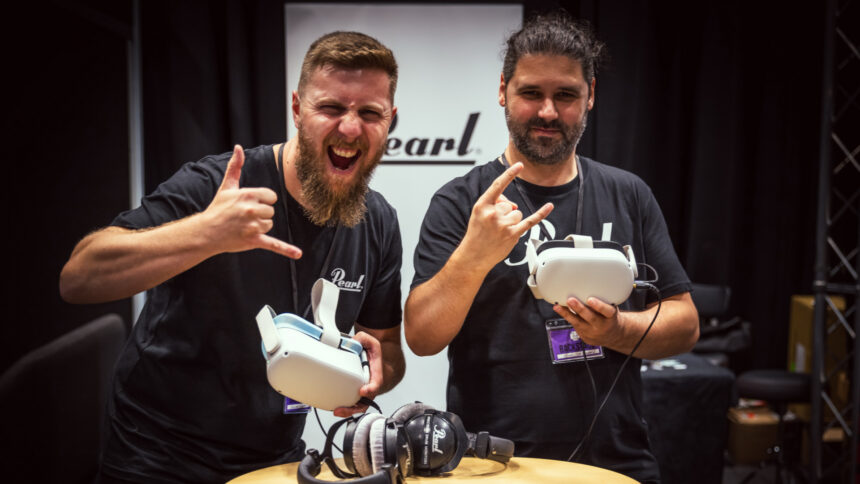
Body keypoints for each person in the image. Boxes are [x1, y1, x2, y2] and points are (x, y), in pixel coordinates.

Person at [60, 31, 406, 483]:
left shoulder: (378, 222)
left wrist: (370, 373)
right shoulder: (218, 185)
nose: (350, 127)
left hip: (276, 461)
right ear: (298, 109)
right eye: (331, 108)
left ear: (390, 120)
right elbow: (79, 277)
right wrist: (206, 233)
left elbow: (390, 351)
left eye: (370, 113)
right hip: (160, 458)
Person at [404, 12, 698, 483]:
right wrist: (475, 254)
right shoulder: (462, 202)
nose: (547, 112)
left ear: (591, 97)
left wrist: (618, 329)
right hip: (490, 464)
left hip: (616, 461)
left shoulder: (629, 194)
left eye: (565, 95)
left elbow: (684, 323)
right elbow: (421, 337)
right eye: (531, 94)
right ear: (503, 90)